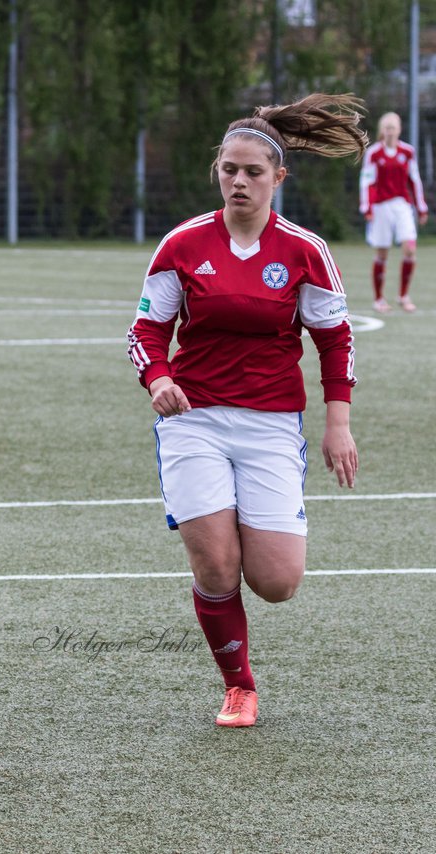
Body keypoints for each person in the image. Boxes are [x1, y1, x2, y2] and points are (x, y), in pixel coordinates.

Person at [127, 94, 365, 728]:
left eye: (253, 171)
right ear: (218, 172)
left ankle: (243, 640)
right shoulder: (182, 245)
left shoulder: (306, 251)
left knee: (278, 581)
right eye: (229, 169)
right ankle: (239, 687)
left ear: (278, 179)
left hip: (270, 424)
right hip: (194, 421)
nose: (239, 180)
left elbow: (334, 339)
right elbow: (146, 331)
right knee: (216, 563)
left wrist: (337, 421)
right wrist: (158, 379)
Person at [360, 111, 428, 313]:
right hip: (381, 207)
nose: (390, 131)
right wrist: (367, 207)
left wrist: (421, 207)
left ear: (399, 130)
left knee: (410, 249)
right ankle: (379, 299)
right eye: (387, 128)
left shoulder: (408, 152)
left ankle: (403, 296)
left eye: (394, 127)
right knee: (382, 253)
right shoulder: (374, 153)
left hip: (402, 205)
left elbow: (414, 180)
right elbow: (367, 182)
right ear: (383, 130)